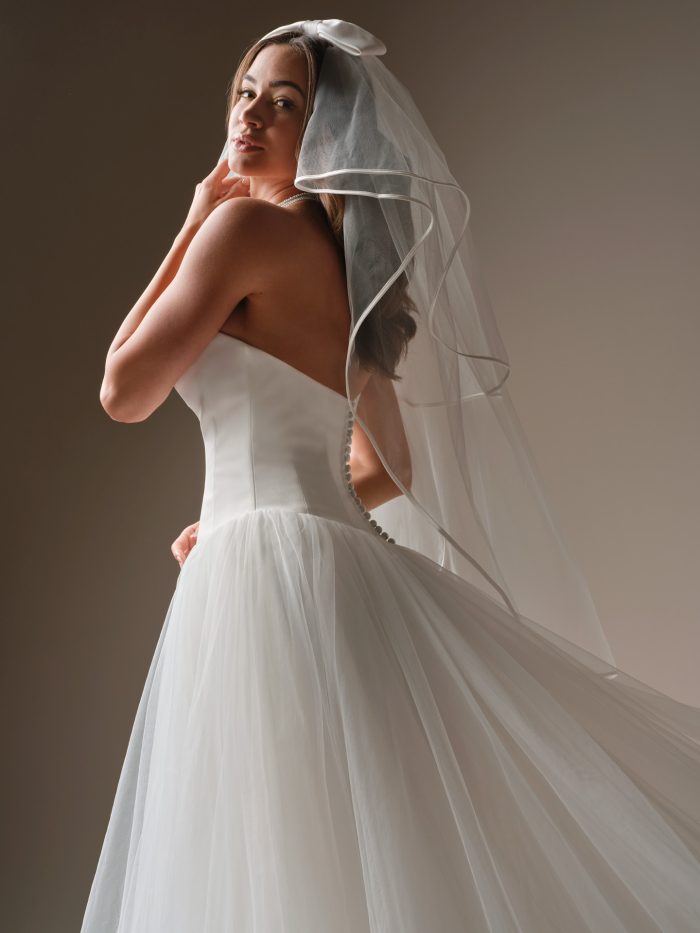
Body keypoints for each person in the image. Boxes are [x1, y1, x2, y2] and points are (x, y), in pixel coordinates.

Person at [82, 19, 700, 933]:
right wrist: (270, 511)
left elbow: (121, 389)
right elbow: (388, 463)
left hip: (257, 576)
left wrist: (190, 223)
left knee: (277, 842)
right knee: (349, 834)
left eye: (284, 104)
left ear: (323, 135)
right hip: (334, 568)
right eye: (246, 93)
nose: (251, 117)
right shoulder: (348, 268)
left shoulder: (243, 226)